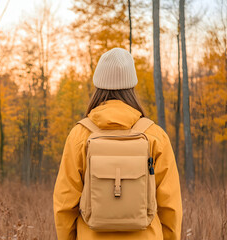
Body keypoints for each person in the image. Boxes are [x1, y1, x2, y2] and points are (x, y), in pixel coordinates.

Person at [53, 48, 182, 240]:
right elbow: (170, 205)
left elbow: (65, 203)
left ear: (98, 85)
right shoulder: (155, 136)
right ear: (132, 87)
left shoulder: (80, 135)